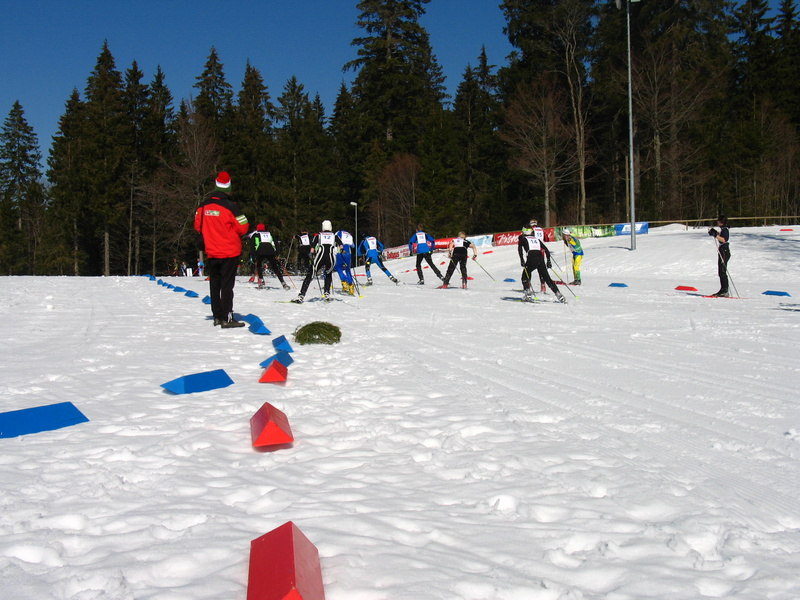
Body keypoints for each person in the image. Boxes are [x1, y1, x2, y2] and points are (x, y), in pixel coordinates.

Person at [194, 171, 249, 327]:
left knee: (215, 284)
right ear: (228, 187)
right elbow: (244, 227)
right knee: (227, 286)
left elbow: (197, 225)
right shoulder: (232, 206)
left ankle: (217, 316)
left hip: (212, 251)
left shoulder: (203, 206)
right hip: (229, 251)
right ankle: (227, 317)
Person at [293, 220, 342, 303]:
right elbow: (341, 245)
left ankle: (301, 296)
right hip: (330, 258)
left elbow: (312, 248)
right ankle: (327, 293)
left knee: (310, 275)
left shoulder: (319, 235)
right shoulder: (334, 236)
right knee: (328, 273)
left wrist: (311, 255)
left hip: (320, 257)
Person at [519, 226, 565, 302]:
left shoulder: (523, 239)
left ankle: (528, 293)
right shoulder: (536, 239)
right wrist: (548, 261)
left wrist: (522, 260)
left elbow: (520, 250)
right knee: (547, 278)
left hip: (532, 258)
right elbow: (546, 250)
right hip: (540, 259)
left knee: (525, 275)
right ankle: (558, 294)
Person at [248, 223, 290, 290]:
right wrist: (277, 253)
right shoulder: (270, 234)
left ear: (257, 228)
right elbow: (276, 243)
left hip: (260, 252)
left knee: (258, 266)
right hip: (270, 252)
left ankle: (261, 282)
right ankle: (283, 283)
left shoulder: (255, 235)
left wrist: (253, 256)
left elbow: (252, 246)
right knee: (275, 268)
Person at [708, 215, 731, 297]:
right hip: (722, 250)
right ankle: (723, 289)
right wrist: (715, 233)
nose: (717, 222)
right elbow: (721, 237)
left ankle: (725, 291)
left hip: (724, 251)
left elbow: (724, 239)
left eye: (718, 221)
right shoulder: (723, 229)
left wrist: (715, 235)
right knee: (721, 271)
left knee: (722, 271)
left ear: (721, 222)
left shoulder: (725, 229)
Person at [335, 228, 356, 295]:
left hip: (340, 252)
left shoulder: (339, 232)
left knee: (339, 268)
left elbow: (335, 240)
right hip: (348, 253)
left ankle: (344, 283)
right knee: (348, 270)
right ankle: (351, 286)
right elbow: (353, 246)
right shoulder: (349, 235)